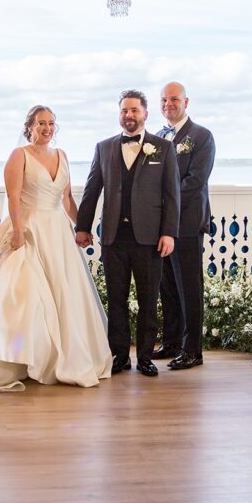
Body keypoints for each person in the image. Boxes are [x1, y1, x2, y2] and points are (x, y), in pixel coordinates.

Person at [0, 105, 111, 391]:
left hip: (58, 232)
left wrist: (81, 227)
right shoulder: (19, 156)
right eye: (41, 123)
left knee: (65, 294)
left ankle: (63, 357)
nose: (46, 128)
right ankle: (25, 357)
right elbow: (13, 198)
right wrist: (18, 232)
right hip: (30, 230)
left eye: (51, 123)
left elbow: (66, 198)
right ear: (29, 126)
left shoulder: (62, 155)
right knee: (27, 298)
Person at [76, 90, 180, 378]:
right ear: (119, 114)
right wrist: (83, 227)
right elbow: (92, 190)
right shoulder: (104, 147)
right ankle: (119, 355)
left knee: (148, 299)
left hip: (149, 238)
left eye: (134, 110)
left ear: (145, 114)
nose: (129, 115)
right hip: (113, 237)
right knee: (116, 298)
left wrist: (168, 232)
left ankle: (145, 357)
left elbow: (172, 196)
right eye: (124, 111)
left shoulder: (164, 148)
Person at [153, 81, 215, 370]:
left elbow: (195, 181)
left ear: (186, 102)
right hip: (162, 225)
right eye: (164, 100)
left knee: (189, 287)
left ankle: (193, 350)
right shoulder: (157, 137)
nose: (169, 104)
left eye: (174, 99)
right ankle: (172, 341)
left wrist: (166, 205)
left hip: (187, 224)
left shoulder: (201, 136)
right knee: (167, 287)